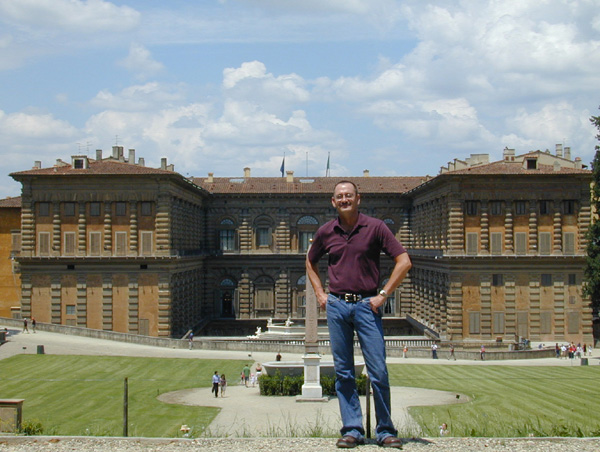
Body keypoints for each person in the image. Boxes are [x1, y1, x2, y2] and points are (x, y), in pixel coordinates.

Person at [306, 180, 411, 449]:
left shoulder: (375, 227)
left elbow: (404, 260)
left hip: (367, 305)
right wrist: (320, 294)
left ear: (358, 198)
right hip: (338, 305)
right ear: (333, 201)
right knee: (343, 372)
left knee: (378, 371)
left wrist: (384, 295)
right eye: (339, 196)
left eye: (348, 196)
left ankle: (385, 431)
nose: (344, 200)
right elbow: (310, 259)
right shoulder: (326, 231)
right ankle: (352, 429)